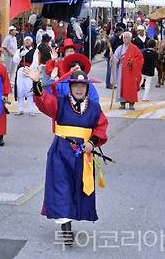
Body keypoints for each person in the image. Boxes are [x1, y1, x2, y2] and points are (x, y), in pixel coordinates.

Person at [24, 67, 108, 246]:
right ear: (70, 87)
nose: (79, 89)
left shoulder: (94, 107)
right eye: (75, 85)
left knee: (77, 188)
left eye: (82, 86)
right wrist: (37, 82)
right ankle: (66, 229)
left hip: (83, 155)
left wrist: (92, 143)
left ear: (87, 88)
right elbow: (43, 101)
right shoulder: (60, 103)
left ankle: (73, 216)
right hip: (60, 153)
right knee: (62, 189)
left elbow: (101, 126)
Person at [112, 31, 144, 110]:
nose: (125, 39)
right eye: (124, 37)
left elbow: (140, 59)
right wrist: (112, 58)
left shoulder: (134, 48)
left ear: (130, 38)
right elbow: (115, 58)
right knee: (121, 86)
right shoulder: (120, 48)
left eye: (126, 37)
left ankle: (131, 104)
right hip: (122, 70)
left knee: (131, 87)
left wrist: (132, 61)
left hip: (131, 71)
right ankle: (122, 103)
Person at [13, 35, 38, 116]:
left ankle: (31, 109)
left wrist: (28, 70)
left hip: (29, 71)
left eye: (29, 40)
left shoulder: (35, 51)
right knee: (20, 90)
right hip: (20, 71)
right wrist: (20, 55)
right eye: (26, 40)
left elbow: (35, 62)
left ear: (31, 42)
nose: (27, 41)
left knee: (29, 91)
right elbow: (15, 60)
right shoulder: (19, 50)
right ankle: (20, 109)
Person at [104, 25, 123, 89]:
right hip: (111, 56)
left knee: (112, 71)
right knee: (109, 71)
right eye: (121, 32)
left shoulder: (117, 38)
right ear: (118, 32)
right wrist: (107, 55)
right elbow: (109, 47)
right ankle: (108, 83)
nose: (121, 33)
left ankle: (110, 83)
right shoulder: (113, 38)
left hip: (114, 56)